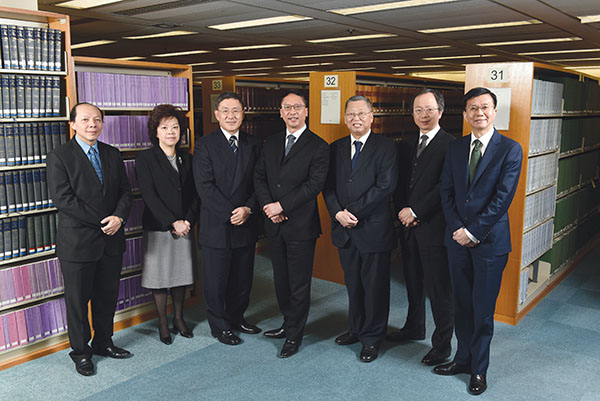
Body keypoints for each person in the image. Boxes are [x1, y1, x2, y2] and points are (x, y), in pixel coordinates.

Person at [435, 87, 522, 395]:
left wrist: (473, 231)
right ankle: (462, 358)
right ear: (465, 114)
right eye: (473, 108)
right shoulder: (456, 148)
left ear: (494, 112)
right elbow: (445, 192)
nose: (479, 113)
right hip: (456, 240)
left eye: (485, 107)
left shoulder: (510, 149)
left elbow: (503, 198)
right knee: (461, 305)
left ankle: (479, 369)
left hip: (489, 243)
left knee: (482, 309)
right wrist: (458, 228)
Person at [47, 102, 133, 376]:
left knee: (107, 297)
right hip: (78, 243)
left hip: (111, 239)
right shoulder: (60, 156)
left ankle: (104, 342)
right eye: (85, 120)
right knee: (77, 301)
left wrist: (119, 217)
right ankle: (81, 352)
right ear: (73, 124)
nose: (92, 124)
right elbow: (63, 200)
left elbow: (125, 192)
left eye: (97, 119)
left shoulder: (112, 153)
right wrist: (102, 221)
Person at [254, 90, 329, 358]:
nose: (292, 112)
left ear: (306, 111)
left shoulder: (318, 146)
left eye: (298, 107)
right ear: (281, 112)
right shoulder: (271, 142)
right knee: (281, 280)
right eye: (287, 107)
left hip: (300, 225)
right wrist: (268, 207)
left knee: (299, 283)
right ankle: (287, 323)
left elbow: (313, 186)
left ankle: (295, 335)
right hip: (274, 223)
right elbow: (259, 177)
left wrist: (282, 206)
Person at [323, 95, 398, 363]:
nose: (356, 119)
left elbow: (385, 186)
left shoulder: (387, 148)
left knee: (375, 287)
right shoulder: (335, 148)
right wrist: (337, 213)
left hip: (373, 229)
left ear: (371, 117)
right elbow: (327, 186)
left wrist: (352, 212)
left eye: (361, 114)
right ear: (345, 118)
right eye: (351, 115)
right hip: (345, 229)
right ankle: (356, 328)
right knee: (353, 283)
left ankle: (372, 338)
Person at [387, 89, 454, 366]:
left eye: (429, 109)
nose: (423, 115)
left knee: (438, 289)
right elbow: (401, 181)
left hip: (433, 226)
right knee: (413, 280)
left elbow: (445, 186)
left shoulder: (452, 145)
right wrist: (403, 212)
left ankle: (442, 345)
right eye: (418, 110)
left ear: (440, 111)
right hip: (408, 226)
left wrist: (416, 211)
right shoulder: (406, 142)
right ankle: (414, 326)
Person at [193, 92, 262, 346]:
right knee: (216, 280)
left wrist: (247, 209)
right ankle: (219, 325)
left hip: (246, 220)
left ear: (243, 114)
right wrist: (231, 212)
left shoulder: (255, 144)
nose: (231, 116)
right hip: (217, 223)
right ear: (216, 114)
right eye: (225, 111)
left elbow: (260, 183)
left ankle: (237, 318)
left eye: (236, 111)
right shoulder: (204, 145)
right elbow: (205, 186)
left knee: (242, 277)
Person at [135, 104, 199, 345]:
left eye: (175, 127)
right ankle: (162, 321)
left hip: (185, 227)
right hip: (159, 226)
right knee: (160, 278)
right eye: (165, 127)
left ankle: (179, 318)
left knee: (181, 276)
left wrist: (188, 221)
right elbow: (149, 196)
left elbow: (196, 195)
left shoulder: (188, 158)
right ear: (156, 132)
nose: (171, 132)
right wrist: (173, 221)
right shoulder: (145, 159)